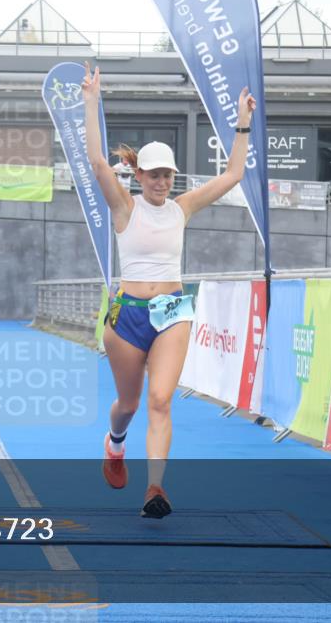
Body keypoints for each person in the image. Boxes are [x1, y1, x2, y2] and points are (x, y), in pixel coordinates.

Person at [82, 63, 256, 518]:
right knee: (129, 403)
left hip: (172, 311)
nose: (162, 182)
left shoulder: (182, 208)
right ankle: (114, 443)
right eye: (154, 174)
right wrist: (91, 101)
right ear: (139, 174)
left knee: (161, 399)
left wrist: (242, 124)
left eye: (168, 175)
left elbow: (233, 175)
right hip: (128, 315)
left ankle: (154, 489)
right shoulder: (124, 206)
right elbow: (98, 162)